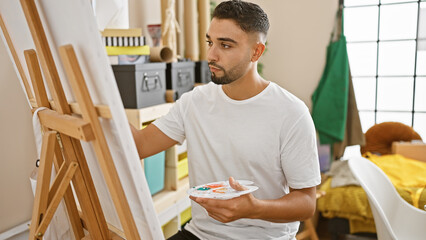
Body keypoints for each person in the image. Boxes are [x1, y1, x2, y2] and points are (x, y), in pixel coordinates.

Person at [131, 1, 321, 239]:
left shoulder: (291, 112)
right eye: (210, 42)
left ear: (257, 52)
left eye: (225, 45)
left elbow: (305, 203)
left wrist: (254, 209)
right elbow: (139, 145)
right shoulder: (194, 102)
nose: (211, 55)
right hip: (201, 234)